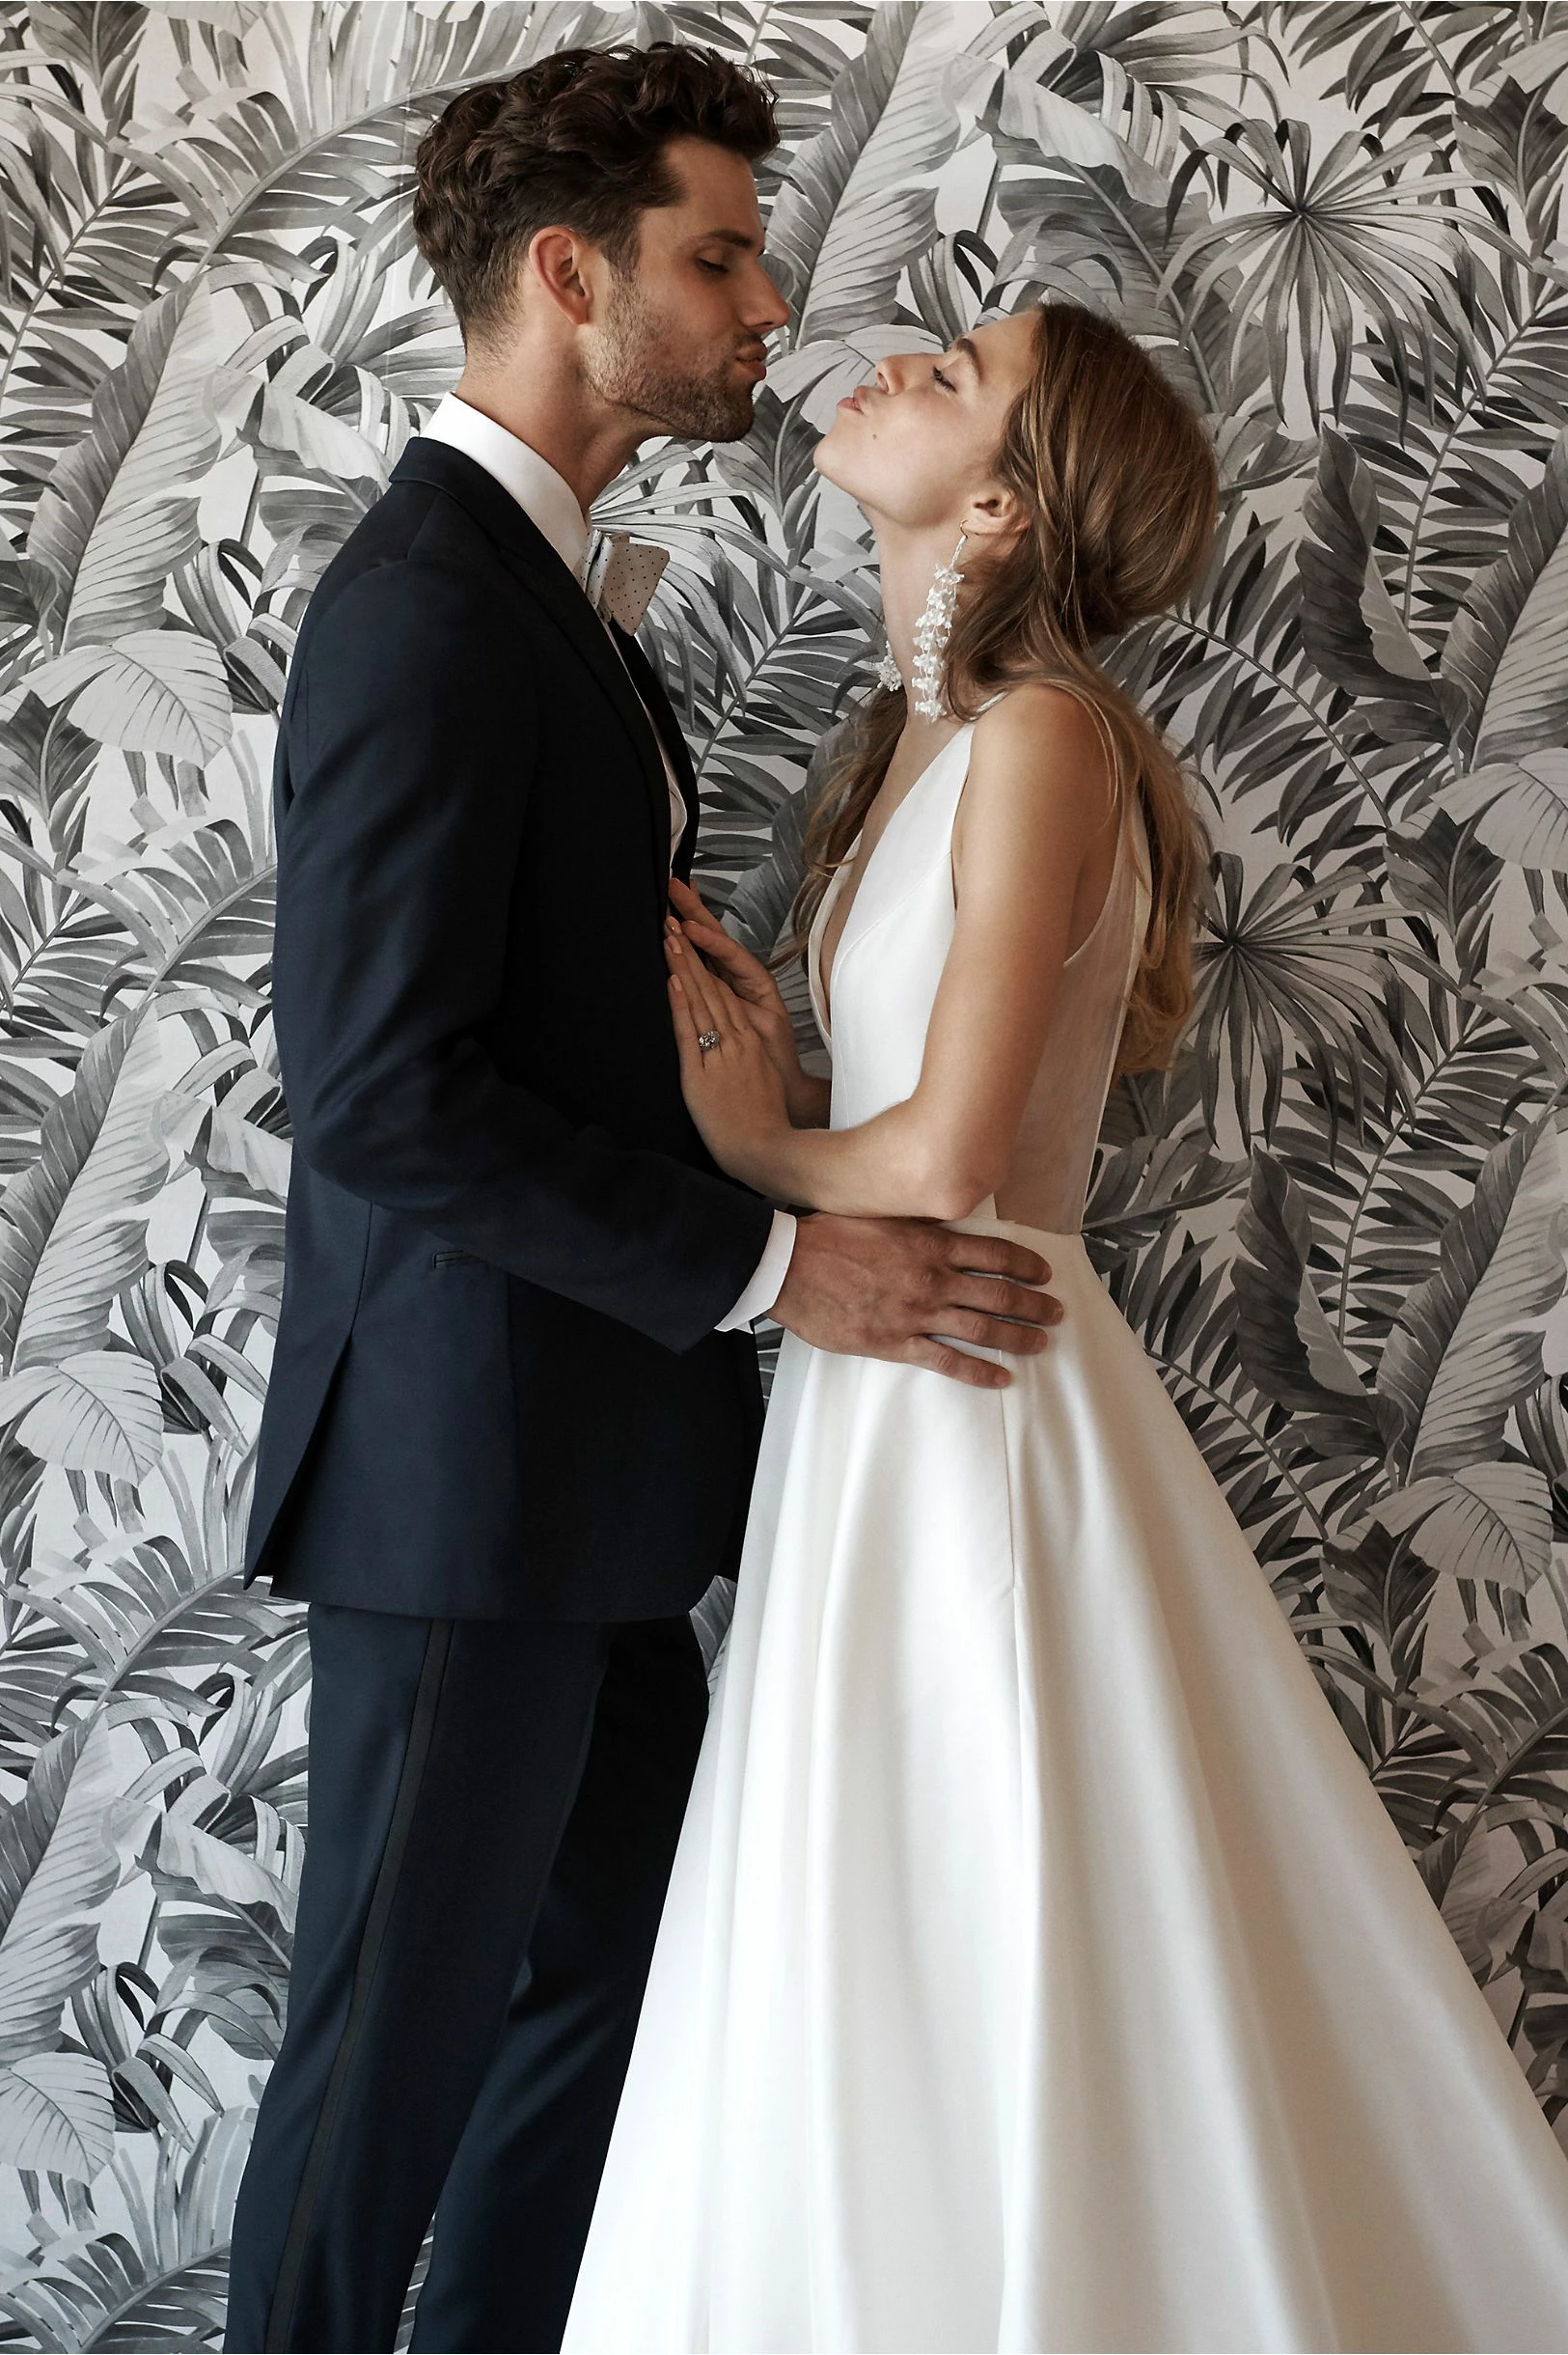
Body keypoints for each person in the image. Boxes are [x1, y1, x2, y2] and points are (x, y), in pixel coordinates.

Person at [560, 298, 1568, 2351]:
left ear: (1006, 506)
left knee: (988, 1875)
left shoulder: (1042, 737)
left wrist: (751, 1141)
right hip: (883, 1387)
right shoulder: (919, 745)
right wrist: (774, 1073)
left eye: (956, 374)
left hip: (971, 1387)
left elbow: (944, 1159)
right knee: (887, 1894)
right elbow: (913, 1116)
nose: (888, 366)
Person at [221, 42, 1065, 2355]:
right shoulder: (426, 603)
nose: (770, 302)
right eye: (719, 254)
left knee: (602, 2001)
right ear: (569, 276)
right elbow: (381, 1096)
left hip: (585, 1479)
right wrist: (785, 1262)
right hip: (462, 1487)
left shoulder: (545, 595)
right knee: (379, 2070)